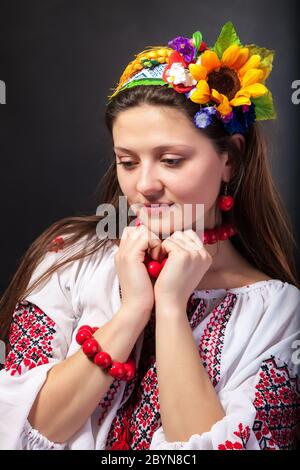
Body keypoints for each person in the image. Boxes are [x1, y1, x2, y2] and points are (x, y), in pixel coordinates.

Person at [0, 21, 299, 450]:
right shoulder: (70, 259)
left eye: (171, 160)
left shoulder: (278, 311)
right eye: (128, 161)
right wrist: (133, 309)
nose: (145, 185)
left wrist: (172, 309)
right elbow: (21, 430)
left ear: (229, 159)